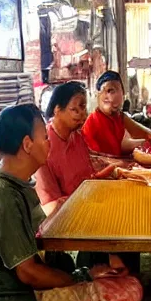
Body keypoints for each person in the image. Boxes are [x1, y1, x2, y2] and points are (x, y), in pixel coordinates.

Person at [0, 105, 143, 301]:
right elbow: (28, 273)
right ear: (28, 144)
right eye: (44, 137)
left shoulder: (13, 182)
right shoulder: (2, 195)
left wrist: (85, 274)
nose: (49, 141)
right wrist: (80, 281)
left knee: (128, 287)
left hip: (32, 294)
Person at [35, 82, 115, 217]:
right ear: (57, 109)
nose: (84, 115)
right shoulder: (44, 145)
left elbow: (86, 178)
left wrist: (110, 173)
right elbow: (51, 204)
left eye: (84, 108)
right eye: (76, 109)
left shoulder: (77, 137)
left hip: (85, 204)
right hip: (64, 217)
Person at [82, 71, 147, 157]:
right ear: (99, 95)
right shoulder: (92, 122)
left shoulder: (118, 118)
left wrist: (146, 142)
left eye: (117, 91)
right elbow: (94, 157)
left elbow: (120, 145)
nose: (112, 97)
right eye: (109, 91)